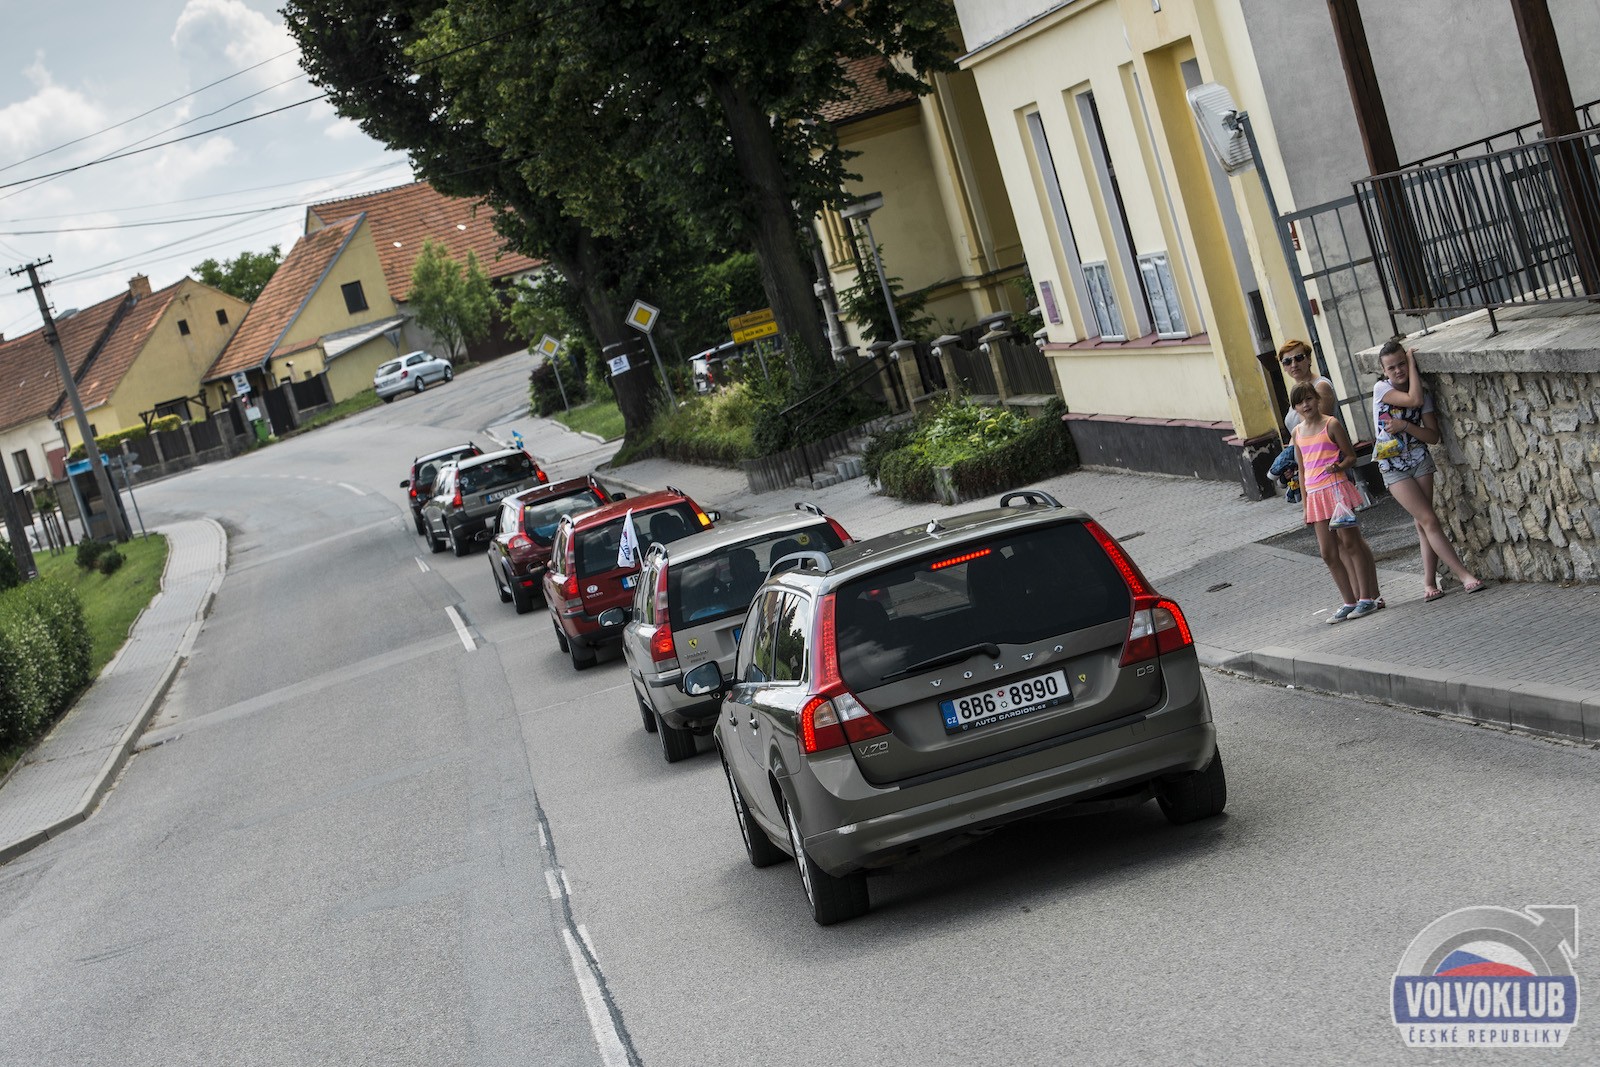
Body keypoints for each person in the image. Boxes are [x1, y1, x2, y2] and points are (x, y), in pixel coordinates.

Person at [1372, 341, 1486, 600]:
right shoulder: (1382, 389)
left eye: (1402, 364)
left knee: (1423, 522)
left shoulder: (1423, 395)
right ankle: (1464, 576)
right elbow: (1412, 400)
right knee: (1429, 520)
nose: (1398, 371)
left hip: (1420, 461)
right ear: (1383, 371)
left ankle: (1428, 583)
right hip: (1393, 466)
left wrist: (1405, 426)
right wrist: (1412, 364)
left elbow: (1433, 437)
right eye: (1392, 367)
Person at [1290, 382, 1383, 622]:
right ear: (1295, 408)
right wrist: (1305, 506)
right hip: (1315, 496)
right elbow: (1302, 469)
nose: (1306, 405)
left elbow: (1351, 456)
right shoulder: (1297, 433)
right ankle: (1349, 601)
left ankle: (1366, 599)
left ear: (1317, 399)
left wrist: (1338, 467)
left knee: (1351, 543)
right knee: (1328, 553)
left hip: (1336, 491)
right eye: (1300, 402)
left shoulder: (1331, 424)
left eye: (1309, 399)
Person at [1278, 339, 1335, 434]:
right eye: (1287, 361)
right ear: (1284, 367)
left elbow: (1316, 427)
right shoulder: (1296, 390)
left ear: (1309, 359)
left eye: (1299, 358)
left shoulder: (1321, 386)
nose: (1294, 365)